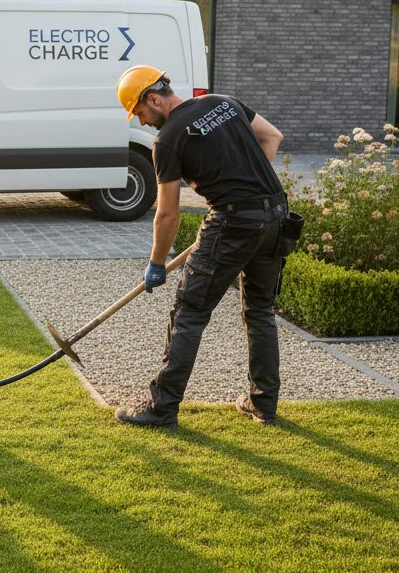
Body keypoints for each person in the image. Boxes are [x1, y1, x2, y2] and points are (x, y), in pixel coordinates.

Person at [113, 65, 296, 429]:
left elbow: (167, 214)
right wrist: (247, 187)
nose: (143, 121)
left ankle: (161, 408)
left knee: (190, 312)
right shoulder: (223, 102)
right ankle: (264, 406)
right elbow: (272, 137)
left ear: (154, 99)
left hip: (232, 223)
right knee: (260, 310)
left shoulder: (167, 140)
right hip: (275, 216)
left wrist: (156, 262)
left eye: (140, 112)